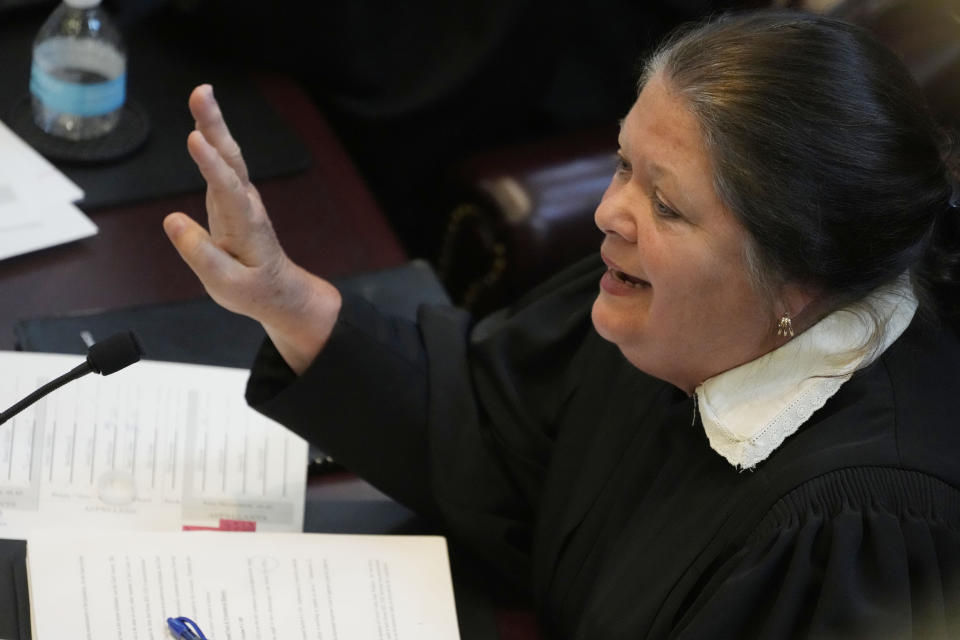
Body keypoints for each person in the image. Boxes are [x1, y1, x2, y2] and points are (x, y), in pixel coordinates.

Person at [163, 10, 960, 639]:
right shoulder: (659, 306)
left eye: (667, 204)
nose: (608, 213)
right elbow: (485, 439)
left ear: (796, 273)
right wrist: (283, 296)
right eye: (622, 164)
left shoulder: (857, 530)